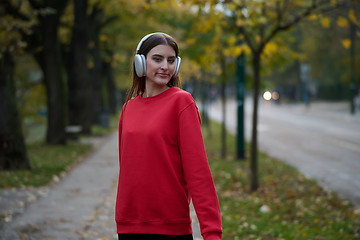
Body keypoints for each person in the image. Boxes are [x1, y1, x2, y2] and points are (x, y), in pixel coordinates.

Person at [116, 32, 222, 240]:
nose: (165, 66)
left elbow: (198, 173)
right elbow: (127, 166)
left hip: (171, 226)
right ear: (141, 63)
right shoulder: (128, 108)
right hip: (129, 224)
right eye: (157, 59)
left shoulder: (182, 103)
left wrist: (212, 232)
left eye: (171, 60)